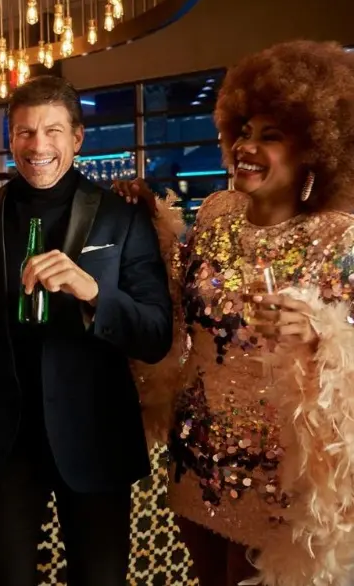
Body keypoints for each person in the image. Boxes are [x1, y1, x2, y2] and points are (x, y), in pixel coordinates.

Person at [116, 40, 354, 586]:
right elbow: (177, 294)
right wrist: (147, 221)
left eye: (271, 136)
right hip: (198, 454)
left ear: (316, 148)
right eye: (244, 130)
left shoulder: (340, 238)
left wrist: (321, 335)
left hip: (280, 475)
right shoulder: (218, 212)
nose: (247, 146)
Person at [0, 75, 173, 586]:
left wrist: (94, 292)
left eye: (53, 131)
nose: (38, 146)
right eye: (25, 132)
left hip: (96, 434)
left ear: (77, 138)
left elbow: (156, 334)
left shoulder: (121, 219)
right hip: (3, 441)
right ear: (10, 138)